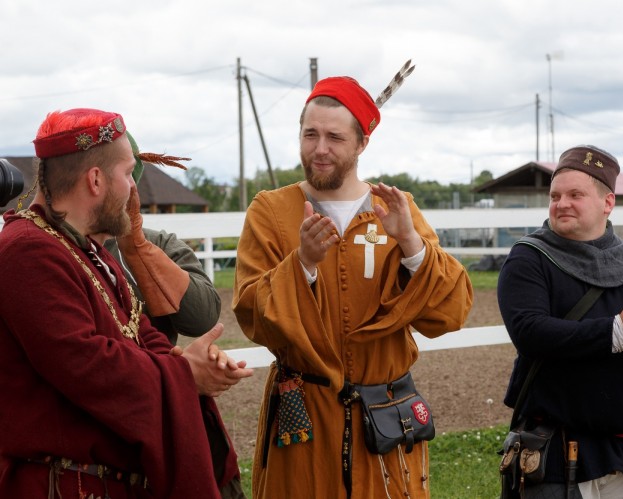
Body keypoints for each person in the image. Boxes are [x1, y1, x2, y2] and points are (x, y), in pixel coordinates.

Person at [232, 73, 474, 498]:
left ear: (362, 144)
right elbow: (253, 314)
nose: (319, 149)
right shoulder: (270, 211)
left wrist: (412, 244)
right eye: (310, 134)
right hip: (304, 416)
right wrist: (303, 263)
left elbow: (449, 312)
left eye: (334, 137)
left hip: (385, 418)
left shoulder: (397, 210)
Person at [0, 108, 253, 498]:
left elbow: (142, 334)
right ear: (96, 179)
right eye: (127, 173)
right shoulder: (27, 251)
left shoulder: (83, 250)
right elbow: (87, 363)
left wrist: (189, 364)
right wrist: (184, 374)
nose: (133, 190)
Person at [498, 145, 623, 498]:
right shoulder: (529, 259)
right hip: (557, 447)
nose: (562, 204)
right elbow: (530, 331)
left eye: (576, 195)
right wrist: (616, 332)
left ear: (608, 203)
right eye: (556, 195)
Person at [100, 132, 245, 498]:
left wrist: (138, 248)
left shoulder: (157, 242)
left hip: (163, 405)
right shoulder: (53, 249)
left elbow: (202, 316)